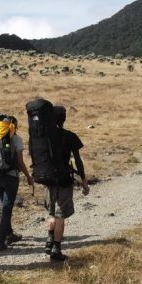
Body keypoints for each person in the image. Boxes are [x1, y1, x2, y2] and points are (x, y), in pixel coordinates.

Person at [44, 106, 89, 261]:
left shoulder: (45, 136)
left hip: (48, 179)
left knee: (51, 212)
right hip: (63, 179)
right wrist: (83, 180)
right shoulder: (70, 136)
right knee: (60, 215)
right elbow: (77, 160)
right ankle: (56, 249)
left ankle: (49, 240)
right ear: (64, 119)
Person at [0, 113, 33, 252]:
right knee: (7, 209)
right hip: (11, 177)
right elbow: (20, 161)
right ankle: (0, 241)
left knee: (5, 206)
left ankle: (9, 233)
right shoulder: (16, 139)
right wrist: (28, 176)